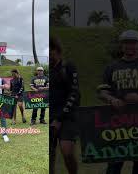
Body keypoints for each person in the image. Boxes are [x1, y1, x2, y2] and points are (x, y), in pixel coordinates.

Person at [97, 30, 138, 174]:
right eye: (126, 43)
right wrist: (112, 99)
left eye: (133, 43)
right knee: (113, 165)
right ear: (121, 46)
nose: (130, 46)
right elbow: (102, 91)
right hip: (117, 122)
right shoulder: (111, 67)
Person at [51, 37, 80, 174]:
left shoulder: (68, 67)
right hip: (50, 116)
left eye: (52, 51)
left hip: (67, 115)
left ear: (57, 50)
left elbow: (74, 94)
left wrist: (59, 119)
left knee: (67, 151)